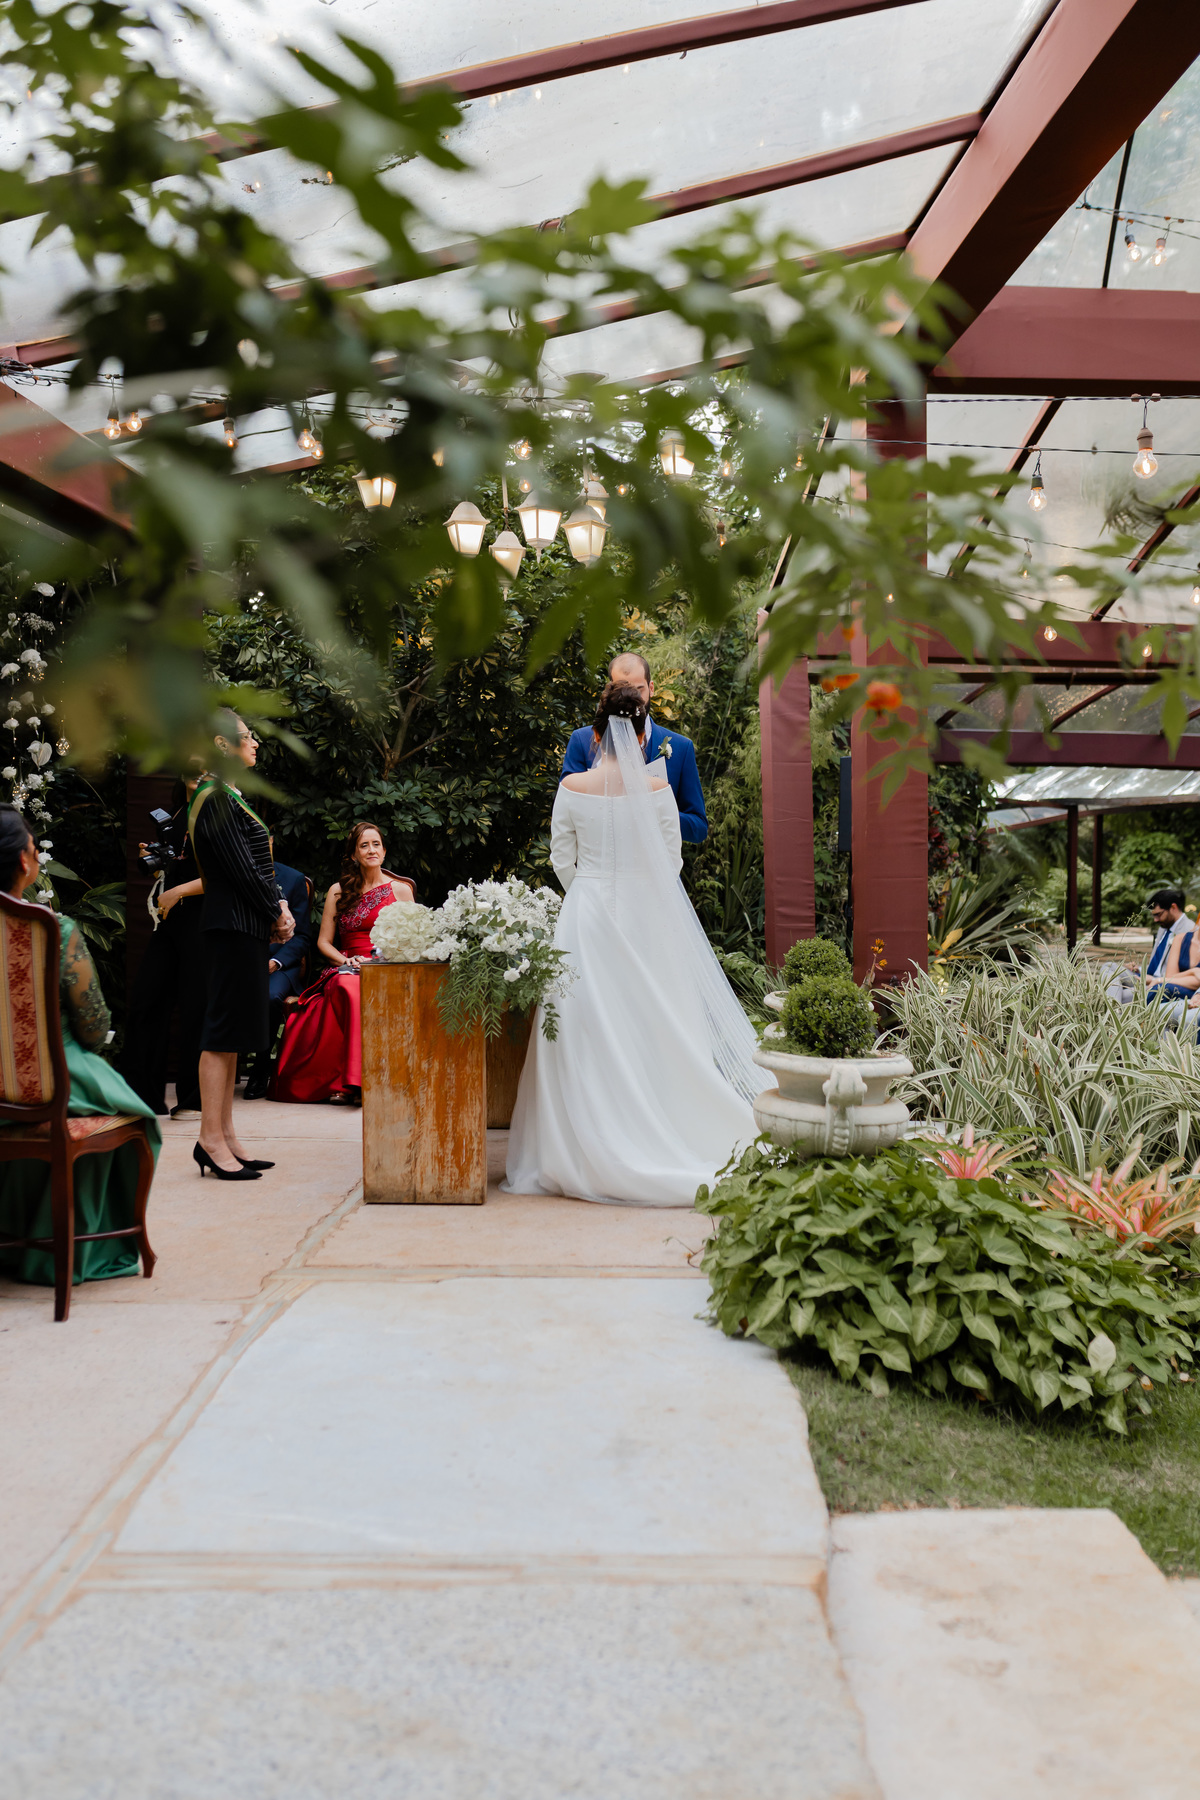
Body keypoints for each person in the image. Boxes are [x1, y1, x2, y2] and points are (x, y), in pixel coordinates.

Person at [507, 684, 769, 1207]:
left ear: (596, 732)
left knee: (580, 1026)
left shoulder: (572, 786)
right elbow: (670, 859)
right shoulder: (655, 788)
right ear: (641, 732)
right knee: (656, 1018)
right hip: (649, 912)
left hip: (586, 914)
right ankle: (665, 1122)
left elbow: (562, 857)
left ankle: (582, 1142)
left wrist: (588, 890)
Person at [0, 806, 161, 1287]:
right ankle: (77, 1250)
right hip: (51, 1078)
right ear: (26, 862)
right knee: (134, 1118)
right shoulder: (56, 931)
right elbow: (94, 1026)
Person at [188, 712, 294, 1180]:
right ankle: (210, 1140)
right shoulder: (213, 798)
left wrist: (276, 907)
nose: (255, 745)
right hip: (231, 926)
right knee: (221, 1032)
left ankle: (226, 1135)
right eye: (248, 738)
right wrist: (276, 910)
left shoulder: (228, 795)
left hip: (243, 925)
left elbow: (256, 868)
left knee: (232, 1036)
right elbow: (241, 870)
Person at [272, 821, 415, 1106]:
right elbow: (324, 942)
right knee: (347, 985)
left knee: (358, 988)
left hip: (385, 966)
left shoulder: (400, 891)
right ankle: (348, 1084)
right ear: (354, 854)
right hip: (346, 964)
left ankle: (359, 1082)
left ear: (384, 852)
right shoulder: (338, 891)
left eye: (376, 844)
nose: (371, 850)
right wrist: (347, 959)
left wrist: (380, 961)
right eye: (364, 845)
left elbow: (412, 941)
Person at [118, 769, 207, 1119]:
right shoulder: (173, 817)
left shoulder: (218, 812)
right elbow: (174, 865)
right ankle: (142, 1097)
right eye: (193, 766)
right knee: (146, 1003)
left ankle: (194, 1101)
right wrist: (157, 863)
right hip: (170, 920)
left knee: (197, 1009)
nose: (200, 773)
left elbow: (228, 872)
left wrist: (179, 889)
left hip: (204, 919)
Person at [562, 651, 708, 844]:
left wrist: (657, 813)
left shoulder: (681, 747)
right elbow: (566, 813)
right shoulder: (582, 740)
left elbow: (698, 829)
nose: (632, 701)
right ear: (610, 691)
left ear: (651, 688)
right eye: (623, 690)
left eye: (639, 690)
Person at [242, 860, 312, 1101]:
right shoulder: (236, 873)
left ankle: (261, 1068)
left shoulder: (293, 878)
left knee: (271, 997)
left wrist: (275, 962)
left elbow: (302, 937)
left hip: (280, 963)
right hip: (244, 958)